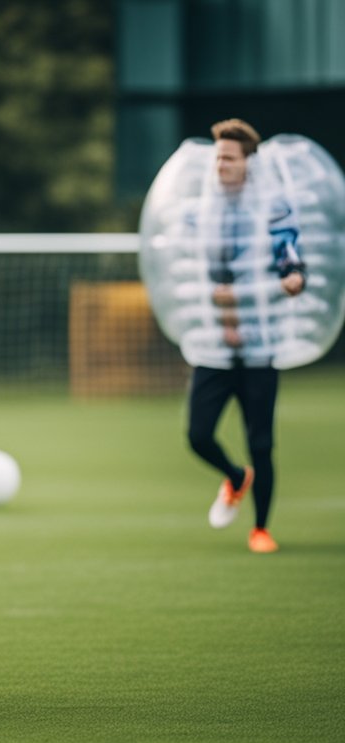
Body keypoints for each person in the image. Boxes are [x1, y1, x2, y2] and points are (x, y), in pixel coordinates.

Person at [184, 118, 305, 554]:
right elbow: (205, 274)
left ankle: (260, 529)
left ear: (248, 164)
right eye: (218, 156)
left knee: (261, 442)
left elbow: (290, 255)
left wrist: (294, 276)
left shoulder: (271, 208)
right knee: (197, 435)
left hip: (258, 348)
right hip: (214, 347)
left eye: (229, 158)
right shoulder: (202, 210)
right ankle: (236, 477)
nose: (221, 164)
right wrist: (226, 321)